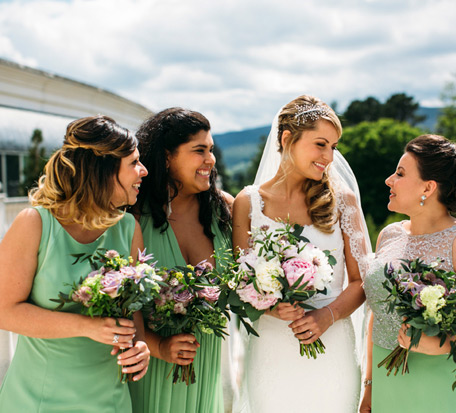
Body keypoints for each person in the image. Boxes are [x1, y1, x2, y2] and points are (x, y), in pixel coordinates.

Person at [0, 115, 150, 412]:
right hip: (39, 398)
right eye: (133, 162)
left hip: (109, 398)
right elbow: (4, 311)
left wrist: (141, 346)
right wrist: (86, 326)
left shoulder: (128, 227)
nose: (143, 171)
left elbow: (134, 311)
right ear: (103, 172)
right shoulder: (34, 224)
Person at [232, 95, 372, 413]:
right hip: (271, 350)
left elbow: (361, 281)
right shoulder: (248, 203)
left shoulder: (343, 201)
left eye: (334, 147)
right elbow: (239, 282)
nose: (329, 157)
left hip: (331, 347)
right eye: (321, 144)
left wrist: (327, 316)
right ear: (287, 139)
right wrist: (272, 309)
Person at [360, 134, 456, 412]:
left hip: (441, 384)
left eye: (400, 173)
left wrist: (442, 343)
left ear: (428, 187)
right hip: (388, 382)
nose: (390, 180)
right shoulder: (389, 236)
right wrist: (369, 384)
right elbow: (376, 314)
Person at [128, 107, 233, 413]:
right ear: (165, 157)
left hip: (208, 363)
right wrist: (158, 346)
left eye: (211, 150)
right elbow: (122, 305)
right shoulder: (133, 218)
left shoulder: (225, 210)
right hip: (152, 370)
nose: (210, 160)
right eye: (199, 150)